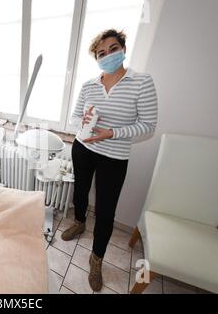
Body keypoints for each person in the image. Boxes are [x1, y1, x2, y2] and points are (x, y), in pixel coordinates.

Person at [61, 29, 158, 291]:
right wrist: (82, 121)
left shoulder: (141, 82)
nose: (108, 55)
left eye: (113, 49)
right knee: (79, 192)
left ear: (123, 49)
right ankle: (79, 222)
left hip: (114, 157)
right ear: (97, 58)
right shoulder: (89, 85)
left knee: (105, 211)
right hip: (82, 148)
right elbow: (74, 118)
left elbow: (148, 126)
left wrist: (113, 133)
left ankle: (96, 258)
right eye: (101, 53)